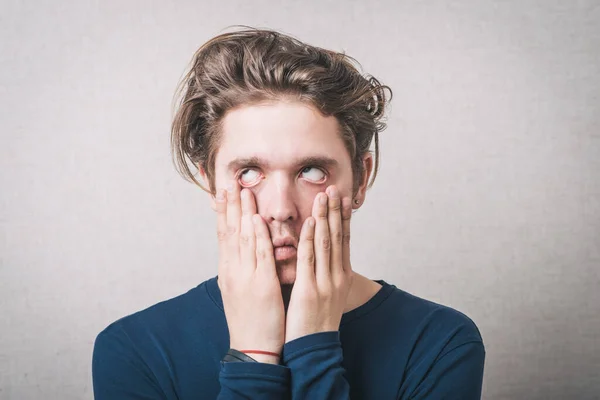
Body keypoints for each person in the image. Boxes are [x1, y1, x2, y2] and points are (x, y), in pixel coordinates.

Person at [92, 27, 485, 399]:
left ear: (360, 180)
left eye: (311, 172)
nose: (281, 209)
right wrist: (253, 357)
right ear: (211, 183)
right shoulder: (135, 349)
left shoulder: (439, 342)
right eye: (249, 173)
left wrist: (314, 348)